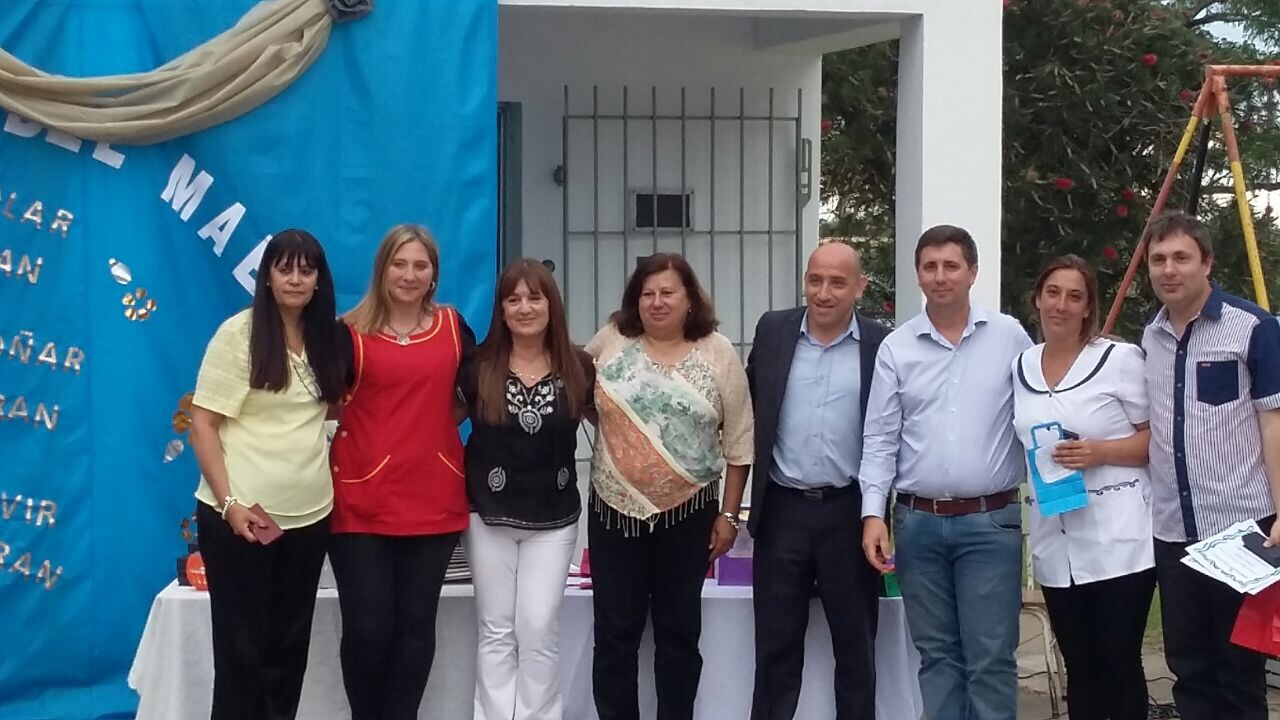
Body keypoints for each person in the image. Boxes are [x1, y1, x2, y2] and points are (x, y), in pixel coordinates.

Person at [859, 224, 1032, 720]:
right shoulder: (898, 348)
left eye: (951, 266)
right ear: (918, 274)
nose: (940, 276)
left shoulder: (1009, 338)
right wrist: (873, 514)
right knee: (936, 657)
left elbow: (1039, 410)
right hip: (918, 524)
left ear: (973, 272)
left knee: (990, 659)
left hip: (989, 523)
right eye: (930, 266)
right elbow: (880, 439)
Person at [585, 252, 754, 720]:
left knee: (678, 636)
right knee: (614, 636)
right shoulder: (612, 340)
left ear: (690, 299)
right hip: (613, 513)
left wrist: (728, 516)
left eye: (667, 293)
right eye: (647, 294)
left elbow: (740, 442)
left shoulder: (717, 352)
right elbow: (577, 392)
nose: (656, 302)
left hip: (689, 517)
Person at [188, 229, 347, 720]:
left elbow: (328, 412)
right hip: (242, 520)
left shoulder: (329, 337)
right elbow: (202, 424)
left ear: (319, 280)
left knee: (288, 654)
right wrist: (230, 505)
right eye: (285, 269)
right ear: (267, 277)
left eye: (306, 270)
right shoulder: (239, 334)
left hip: (309, 519)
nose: (295, 279)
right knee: (242, 656)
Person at [328, 223, 475, 720]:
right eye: (400, 264)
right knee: (367, 628)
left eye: (420, 265)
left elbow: (471, 396)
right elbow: (324, 406)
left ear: (434, 274)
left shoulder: (454, 328)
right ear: (382, 269)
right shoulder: (348, 333)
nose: (410, 275)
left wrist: (428, 431)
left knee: (416, 626)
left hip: (432, 498)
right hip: (360, 500)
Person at [1140, 211, 1280, 720]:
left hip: (1241, 529)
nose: (1168, 269)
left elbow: (1274, 424)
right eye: (1158, 259)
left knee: (1238, 672)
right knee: (1189, 668)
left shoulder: (1254, 328)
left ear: (1207, 263)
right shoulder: (1150, 337)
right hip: (1174, 531)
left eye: (1181, 257)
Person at [745, 241, 890, 720]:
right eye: (815, 280)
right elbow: (749, 403)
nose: (824, 293)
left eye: (837, 283)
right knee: (775, 650)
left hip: (848, 513)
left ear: (860, 287)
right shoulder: (773, 331)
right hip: (782, 510)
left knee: (856, 649)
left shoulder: (880, 345)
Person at [1012, 255, 1154, 720]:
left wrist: (1100, 452)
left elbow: (1156, 441)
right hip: (1056, 541)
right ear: (1038, 298)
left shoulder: (1118, 360)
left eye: (1075, 296)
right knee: (1080, 666)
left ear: (1089, 306)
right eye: (1053, 293)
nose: (1061, 305)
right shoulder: (1021, 366)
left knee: (1118, 661)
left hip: (1119, 541)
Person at [459, 258, 595, 720]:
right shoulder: (476, 367)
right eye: (513, 299)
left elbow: (614, 425)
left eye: (534, 298)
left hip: (554, 517)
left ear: (551, 304)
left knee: (538, 628)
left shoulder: (580, 366)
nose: (524, 308)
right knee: (496, 629)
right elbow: (437, 423)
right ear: (500, 309)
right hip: (487, 514)